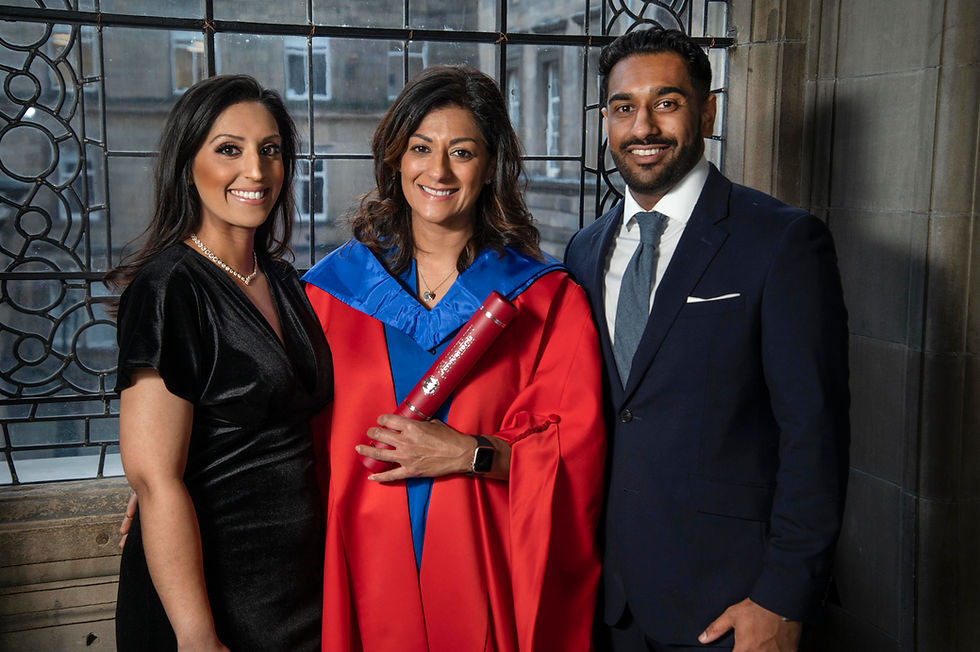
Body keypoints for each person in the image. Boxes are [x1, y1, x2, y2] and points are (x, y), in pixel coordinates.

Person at [563, 28, 850, 652]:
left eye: (666, 103)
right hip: (609, 604)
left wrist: (783, 599)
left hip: (733, 605)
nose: (643, 126)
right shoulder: (584, 250)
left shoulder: (781, 241)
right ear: (606, 120)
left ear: (708, 112)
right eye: (623, 107)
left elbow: (815, 434)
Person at [302, 65, 606, 651]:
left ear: (489, 166)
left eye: (461, 152)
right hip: (358, 577)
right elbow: (279, 429)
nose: (438, 171)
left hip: (484, 583)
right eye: (420, 148)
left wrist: (470, 453)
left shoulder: (547, 301)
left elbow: (575, 459)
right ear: (396, 158)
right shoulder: (330, 294)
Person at [107, 74, 333, 651]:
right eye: (229, 149)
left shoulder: (283, 280)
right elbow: (156, 479)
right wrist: (196, 636)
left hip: (295, 587)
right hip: (210, 597)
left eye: (270, 150)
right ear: (188, 164)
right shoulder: (169, 286)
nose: (256, 171)